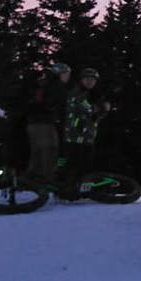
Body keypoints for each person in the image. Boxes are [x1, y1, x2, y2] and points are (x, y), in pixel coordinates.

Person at [59, 68, 110, 199]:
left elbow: (95, 116)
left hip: (88, 137)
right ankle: (67, 190)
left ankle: (80, 189)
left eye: (92, 80)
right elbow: (87, 108)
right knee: (72, 163)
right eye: (87, 79)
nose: (90, 82)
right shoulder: (77, 93)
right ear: (81, 80)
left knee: (85, 164)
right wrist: (102, 108)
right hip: (74, 135)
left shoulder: (93, 94)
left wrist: (101, 110)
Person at [24, 63, 72, 184]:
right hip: (44, 123)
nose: (68, 77)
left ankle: (31, 179)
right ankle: (48, 180)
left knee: (37, 152)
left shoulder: (43, 84)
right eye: (66, 74)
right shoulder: (56, 86)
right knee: (49, 150)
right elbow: (62, 106)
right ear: (59, 74)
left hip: (33, 123)